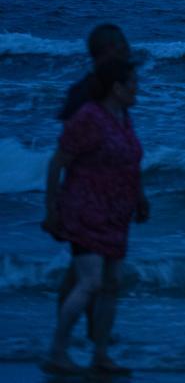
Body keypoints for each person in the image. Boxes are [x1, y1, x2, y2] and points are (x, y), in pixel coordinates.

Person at [42, 58, 148, 375]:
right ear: (116, 88)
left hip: (116, 214)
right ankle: (57, 352)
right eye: (132, 84)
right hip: (85, 210)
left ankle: (101, 354)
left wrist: (140, 198)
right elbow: (57, 162)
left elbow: (130, 161)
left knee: (111, 284)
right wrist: (51, 209)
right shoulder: (89, 117)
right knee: (91, 282)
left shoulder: (123, 117)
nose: (136, 89)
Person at [54, 23, 132, 343]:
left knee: (87, 274)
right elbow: (66, 152)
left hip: (109, 201)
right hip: (87, 200)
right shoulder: (87, 93)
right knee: (84, 275)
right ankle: (65, 343)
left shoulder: (112, 90)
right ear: (110, 49)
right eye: (124, 46)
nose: (128, 51)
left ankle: (89, 338)